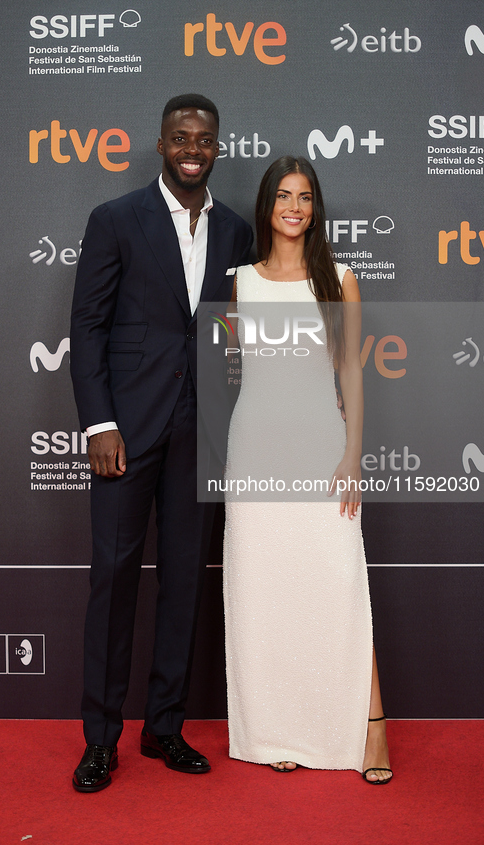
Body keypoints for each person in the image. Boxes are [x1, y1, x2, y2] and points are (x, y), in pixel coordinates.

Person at [69, 94, 253, 792]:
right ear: (160, 144)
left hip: (198, 427)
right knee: (112, 581)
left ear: (216, 148)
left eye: (203, 139)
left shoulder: (235, 231)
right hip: (125, 430)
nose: (191, 148)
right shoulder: (115, 220)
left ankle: (165, 726)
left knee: (182, 580)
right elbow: (86, 328)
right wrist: (99, 423)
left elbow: (233, 331)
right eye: (180, 137)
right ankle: (100, 738)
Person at [223, 156, 392, 783]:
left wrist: (351, 452)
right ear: (267, 204)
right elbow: (247, 371)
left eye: (305, 197)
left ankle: (373, 731)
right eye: (284, 196)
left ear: (315, 207)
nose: (294, 207)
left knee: (340, 585)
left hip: (324, 451)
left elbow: (350, 369)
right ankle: (279, 729)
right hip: (257, 453)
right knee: (267, 591)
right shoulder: (241, 281)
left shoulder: (339, 278)